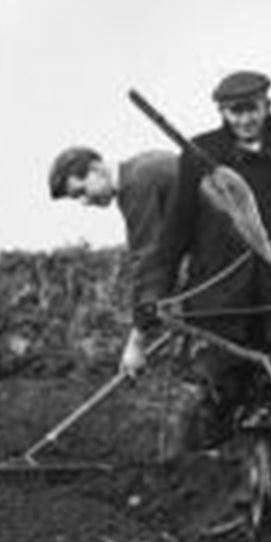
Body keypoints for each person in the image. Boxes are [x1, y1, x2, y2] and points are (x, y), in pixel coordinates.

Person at [131, 71, 271, 448]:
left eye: (251, 109)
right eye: (234, 112)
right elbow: (175, 232)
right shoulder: (198, 155)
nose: (244, 119)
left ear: (267, 105)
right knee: (212, 400)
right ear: (222, 112)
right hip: (219, 305)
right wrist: (154, 295)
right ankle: (210, 484)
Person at [48, 145, 180, 376]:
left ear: (97, 169)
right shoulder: (141, 166)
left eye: (81, 192)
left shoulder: (136, 185)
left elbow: (149, 261)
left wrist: (137, 341)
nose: (85, 202)